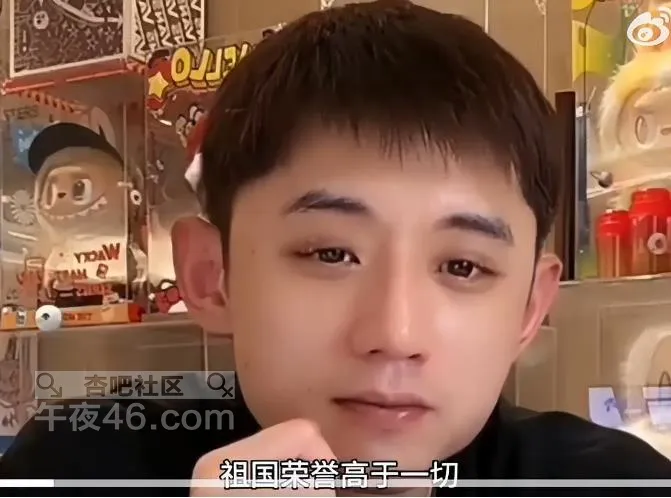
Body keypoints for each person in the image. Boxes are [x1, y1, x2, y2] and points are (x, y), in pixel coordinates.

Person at [1, 1, 671, 496]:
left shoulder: (614, 487)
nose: (394, 334)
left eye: (462, 265)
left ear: (528, 308)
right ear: (211, 275)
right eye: (330, 254)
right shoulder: (74, 469)